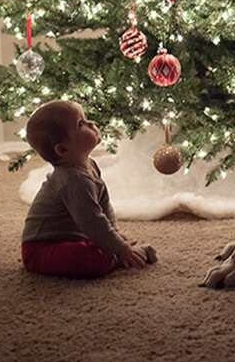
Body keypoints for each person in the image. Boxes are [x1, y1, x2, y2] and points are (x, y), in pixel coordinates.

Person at [21, 100, 157, 278]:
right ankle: (119, 258)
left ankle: (114, 250)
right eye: (81, 124)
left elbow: (103, 204)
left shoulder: (90, 164)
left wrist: (114, 234)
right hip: (41, 250)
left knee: (101, 241)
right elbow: (92, 220)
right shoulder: (73, 180)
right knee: (91, 258)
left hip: (72, 237)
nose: (91, 124)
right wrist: (121, 249)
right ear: (62, 149)